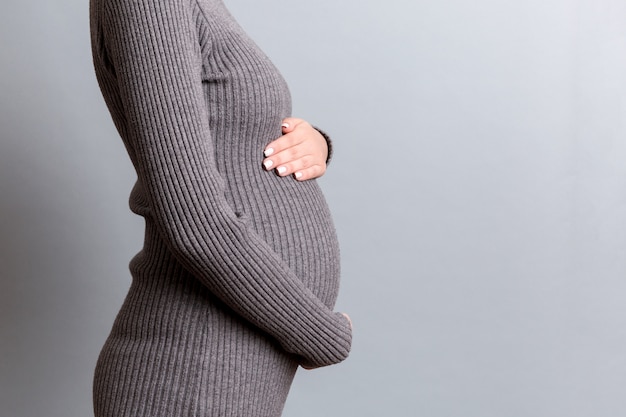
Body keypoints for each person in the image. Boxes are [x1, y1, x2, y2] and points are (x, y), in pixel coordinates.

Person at [89, 0, 353, 416]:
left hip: (220, 362)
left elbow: (225, 129)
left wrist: (312, 142)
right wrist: (320, 333)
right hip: (188, 371)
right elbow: (193, 220)